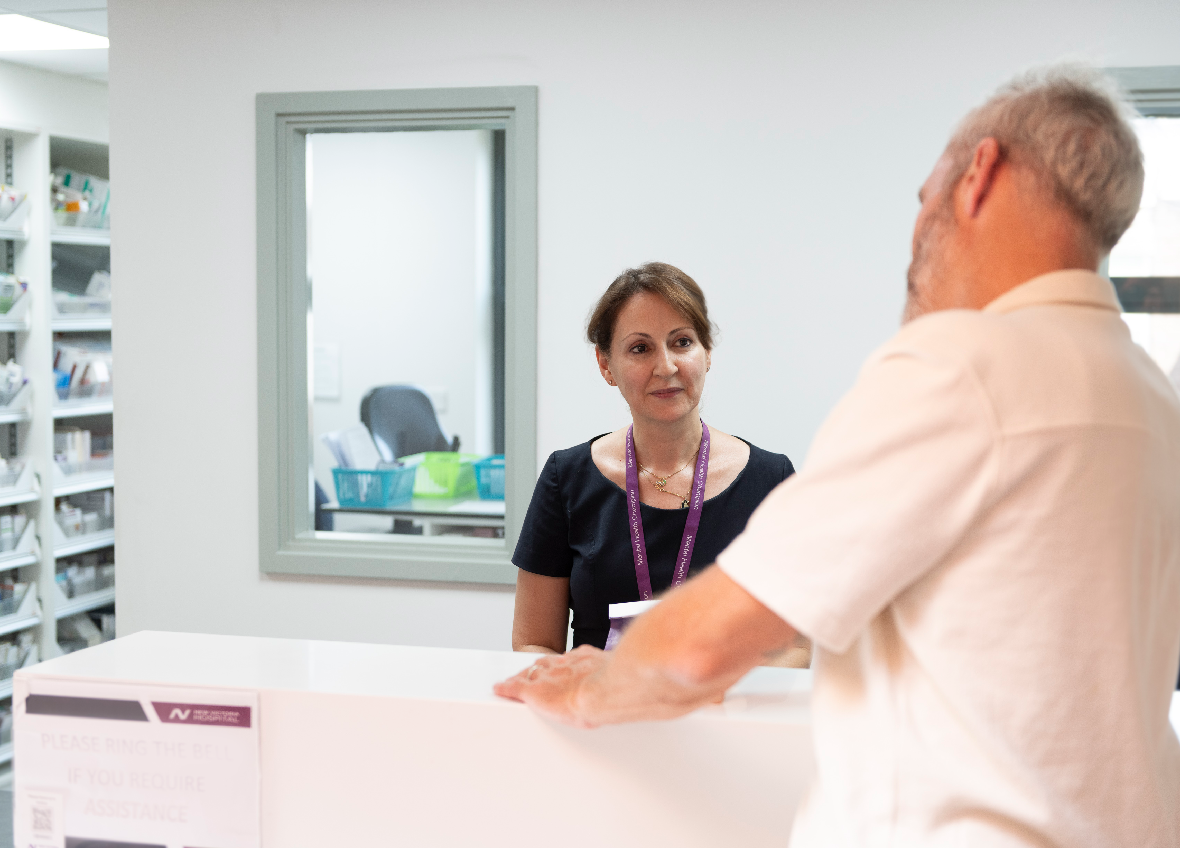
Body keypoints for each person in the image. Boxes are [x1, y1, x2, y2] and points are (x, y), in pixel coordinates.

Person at [497, 66, 1180, 846]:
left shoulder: (957, 367)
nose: (917, 234)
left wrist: (590, 686)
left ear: (979, 174)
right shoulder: (1149, 397)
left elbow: (701, 646)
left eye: (923, 198)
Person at [510, 262, 807, 666]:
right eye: (640, 348)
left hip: (725, 704)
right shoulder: (567, 478)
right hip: (601, 704)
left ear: (707, 353)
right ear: (605, 365)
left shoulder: (771, 480)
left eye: (682, 342)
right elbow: (534, 643)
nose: (666, 367)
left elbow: (796, 646)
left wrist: (712, 689)